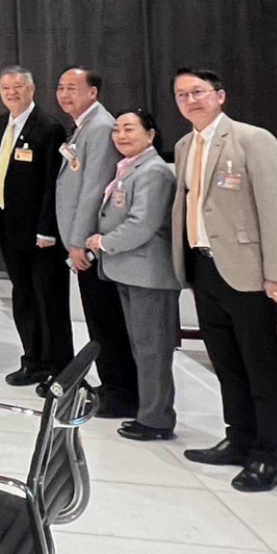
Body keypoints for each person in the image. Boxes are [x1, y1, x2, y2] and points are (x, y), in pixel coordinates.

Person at [169, 68, 277, 492]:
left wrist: (276, 273)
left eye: (198, 92)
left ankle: (269, 456)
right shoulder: (185, 145)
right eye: (182, 95)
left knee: (261, 366)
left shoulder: (252, 140)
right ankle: (239, 439)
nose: (191, 100)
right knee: (226, 363)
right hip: (204, 266)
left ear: (220, 96)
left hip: (248, 272)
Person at [85, 109, 181, 442]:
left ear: (151, 134)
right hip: (129, 271)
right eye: (117, 130)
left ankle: (156, 419)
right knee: (142, 347)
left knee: (153, 350)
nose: (121, 136)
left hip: (148, 273)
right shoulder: (130, 167)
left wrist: (103, 242)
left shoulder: (154, 171)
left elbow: (143, 224)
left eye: (129, 129)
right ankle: (149, 411)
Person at [55, 67, 139, 419]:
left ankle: (123, 392)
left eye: (73, 88)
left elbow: (93, 189)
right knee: (98, 319)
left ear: (93, 92)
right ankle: (111, 382)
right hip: (82, 242)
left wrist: (78, 243)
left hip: (90, 245)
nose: (65, 94)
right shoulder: (83, 126)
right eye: (61, 88)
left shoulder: (101, 127)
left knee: (107, 320)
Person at [0, 65, 71, 393]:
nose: (12, 93)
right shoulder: (0, 124)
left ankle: (58, 368)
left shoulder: (49, 128)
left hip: (41, 235)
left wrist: (47, 229)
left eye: (18, 87)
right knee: (23, 297)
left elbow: (53, 183)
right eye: (6, 88)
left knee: (49, 301)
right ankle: (33, 360)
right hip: (10, 229)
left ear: (32, 90)